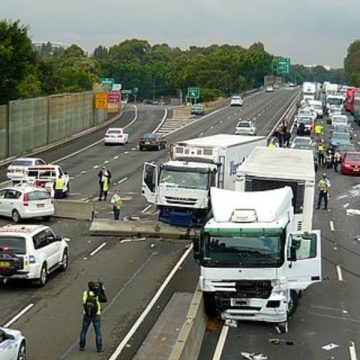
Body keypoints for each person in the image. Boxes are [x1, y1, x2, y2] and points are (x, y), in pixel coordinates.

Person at [79, 281, 108, 352]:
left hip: (86, 314)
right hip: (96, 315)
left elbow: (84, 301)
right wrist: (102, 290)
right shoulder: (98, 294)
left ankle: (82, 346)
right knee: (98, 332)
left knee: (84, 331)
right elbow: (104, 299)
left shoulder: (85, 293)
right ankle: (99, 347)